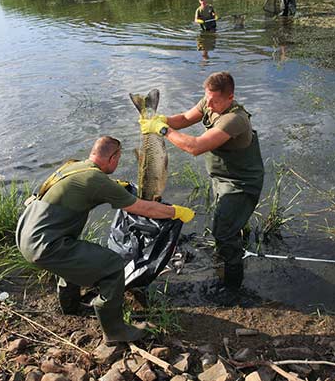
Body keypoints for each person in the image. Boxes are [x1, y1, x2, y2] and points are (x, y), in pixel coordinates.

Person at [16, 136, 195, 344]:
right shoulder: (95, 179)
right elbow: (143, 208)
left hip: (25, 235)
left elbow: (92, 186)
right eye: (118, 159)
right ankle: (114, 330)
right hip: (45, 245)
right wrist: (176, 212)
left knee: (73, 260)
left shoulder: (73, 167)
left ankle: (71, 307)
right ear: (113, 157)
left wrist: (116, 187)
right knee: (112, 266)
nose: (117, 164)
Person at [139, 72, 264, 301]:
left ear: (230, 98)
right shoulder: (210, 102)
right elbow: (185, 119)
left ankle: (232, 286)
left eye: (214, 100)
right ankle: (227, 253)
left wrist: (163, 130)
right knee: (226, 225)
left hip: (241, 183)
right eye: (207, 98)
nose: (208, 104)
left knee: (223, 232)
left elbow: (195, 147)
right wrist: (159, 120)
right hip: (221, 177)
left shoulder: (235, 119)